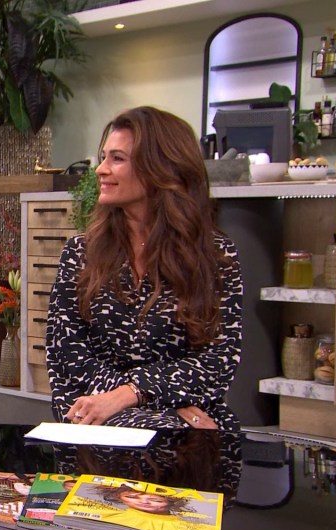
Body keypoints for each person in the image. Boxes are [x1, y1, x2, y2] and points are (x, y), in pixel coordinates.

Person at [46, 106, 242, 431]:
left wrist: (134, 394)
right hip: (94, 407)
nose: (101, 170)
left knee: (202, 436)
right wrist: (126, 399)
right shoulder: (80, 253)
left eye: (117, 159)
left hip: (185, 409)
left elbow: (217, 361)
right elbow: (67, 354)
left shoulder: (215, 256)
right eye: (104, 157)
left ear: (159, 168)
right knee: (165, 430)